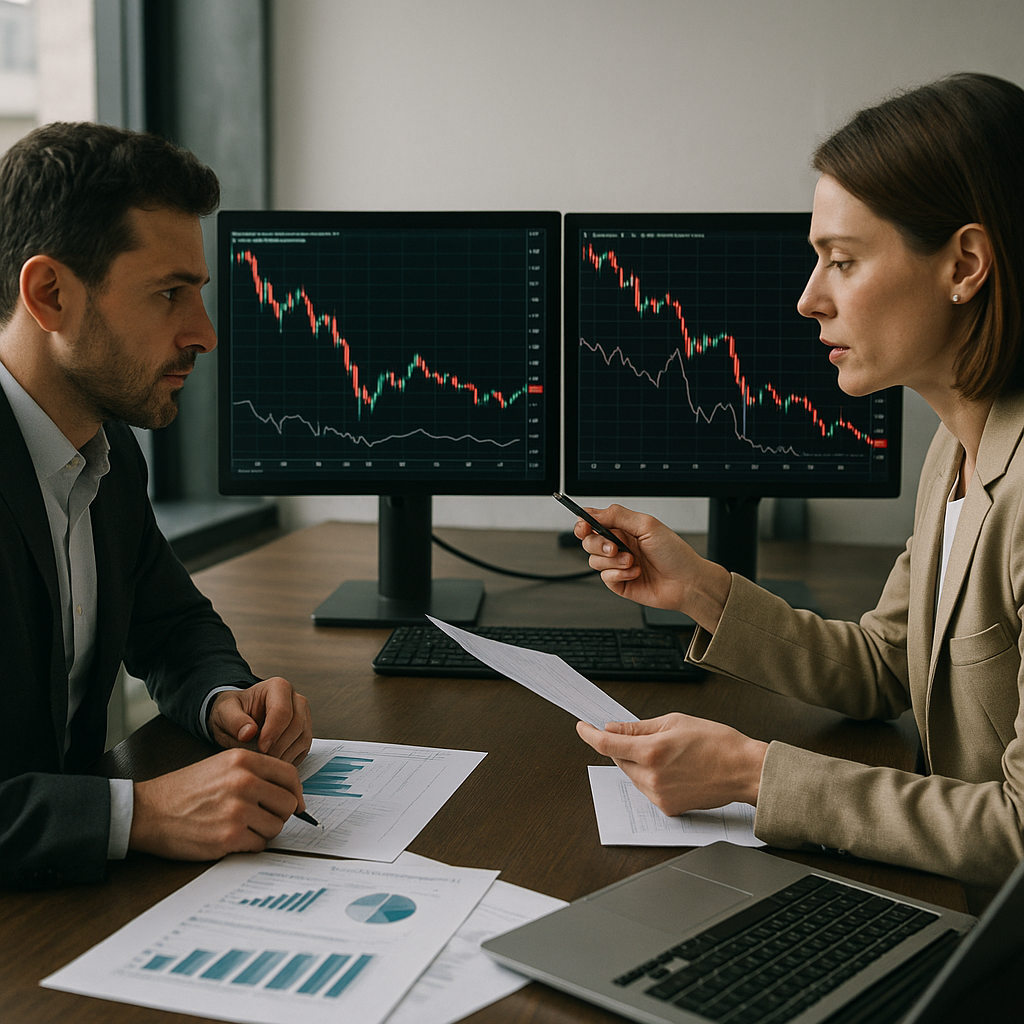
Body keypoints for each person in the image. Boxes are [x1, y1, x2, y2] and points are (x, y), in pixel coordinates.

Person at [573, 72, 1024, 893]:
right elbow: (888, 665)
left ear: (964, 264)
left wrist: (753, 773)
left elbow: (1019, 832)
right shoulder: (957, 448)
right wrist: (700, 588)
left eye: (842, 261)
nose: (808, 299)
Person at [0, 122, 313, 889]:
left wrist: (225, 699)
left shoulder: (106, 451)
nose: (204, 334)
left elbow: (170, 625)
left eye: (198, 294)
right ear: (49, 295)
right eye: (169, 294)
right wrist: (138, 814)